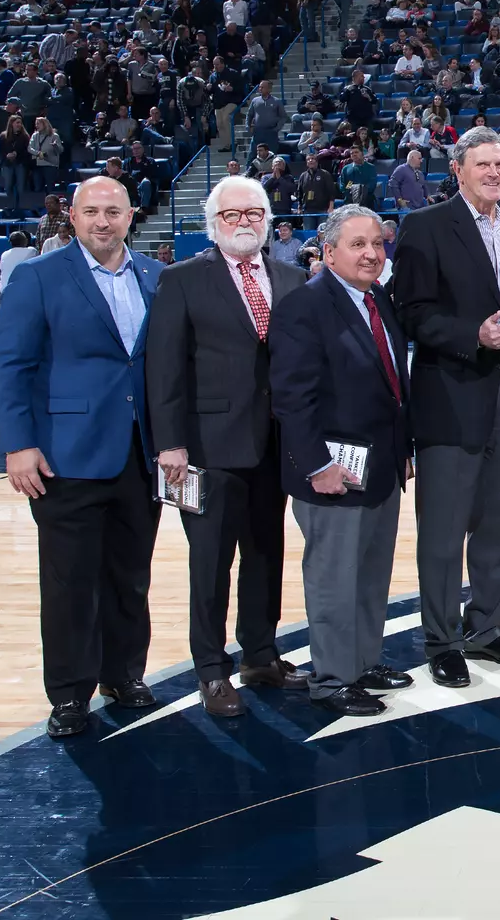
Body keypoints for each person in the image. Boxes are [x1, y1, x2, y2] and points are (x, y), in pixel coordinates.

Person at [0, 177, 166, 739]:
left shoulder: (156, 277)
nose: (102, 221)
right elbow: (13, 366)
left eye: (112, 211)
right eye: (90, 211)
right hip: (64, 456)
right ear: (71, 216)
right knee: (69, 582)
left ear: (131, 215)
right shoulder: (37, 277)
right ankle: (70, 693)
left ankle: (124, 674)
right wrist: (18, 445)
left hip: (140, 454)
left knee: (129, 577)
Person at [146, 176, 311, 718]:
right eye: (232, 215)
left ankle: (260, 654)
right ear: (213, 223)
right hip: (206, 449)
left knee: (266, 554)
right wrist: (170, 444)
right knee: (211, 563)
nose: (244, 223)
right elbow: (164, 368)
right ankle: (212, 670)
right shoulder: (182, 279)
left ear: (269, 220)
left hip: (276, 445)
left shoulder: (291, 277)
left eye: (255, 214)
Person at [391, 127, 500, 687]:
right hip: (449, 399)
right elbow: (411, 312)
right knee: (444, 531)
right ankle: (442, 639)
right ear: (458, 170)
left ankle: (486, 629)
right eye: (484, 165)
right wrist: (471, 335)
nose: (496, 173)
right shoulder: (424, 227)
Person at [269, 205, 413, 717]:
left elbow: (394, 382)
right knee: (333, 577)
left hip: (381, 467)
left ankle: (362, 661)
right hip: (332, 472)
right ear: (328, 253)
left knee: (371, 574)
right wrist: (316, 466)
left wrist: (403, 452)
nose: (371, 253)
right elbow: (292, 398)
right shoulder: (303, 307)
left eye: (377, 243)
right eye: (357, 244)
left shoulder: (378, 300)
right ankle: (331, 677)